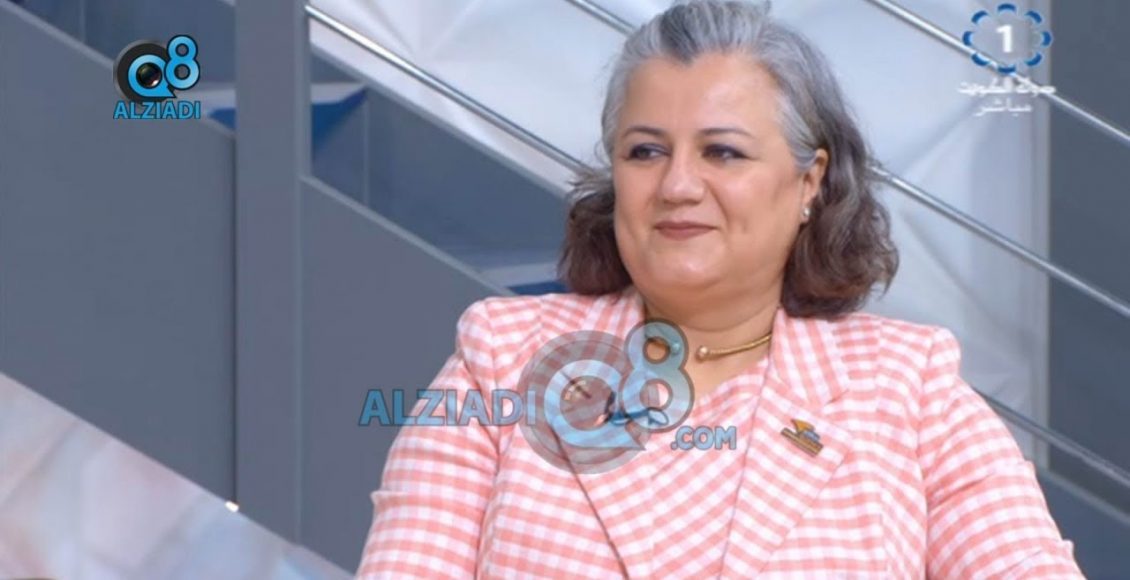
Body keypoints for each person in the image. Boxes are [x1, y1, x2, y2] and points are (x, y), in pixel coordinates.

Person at [356, 1, 1084, 577]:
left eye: (723, 152)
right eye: (645, 151)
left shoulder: (910, 387)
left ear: (809, 181)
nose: (677, 185)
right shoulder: (502, 358)